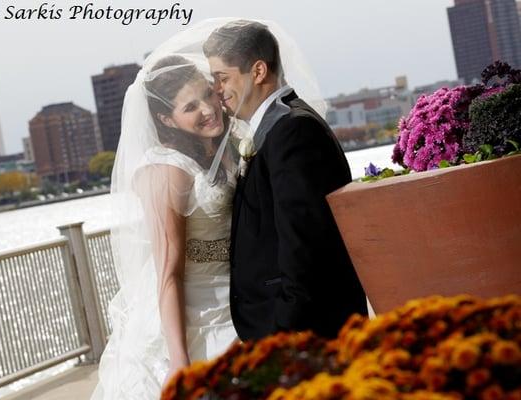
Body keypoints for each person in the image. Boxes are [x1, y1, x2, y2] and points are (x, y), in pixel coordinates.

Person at [204, 20, 368, 341]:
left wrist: (283, 333)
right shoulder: (276, 126)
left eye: (222, 78)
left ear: (259, 71)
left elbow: (303, 248)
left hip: (304, 334)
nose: (217, 90)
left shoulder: (293, 131)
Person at [91, 54, 238, 400]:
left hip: (237, 295)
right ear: (165, 119)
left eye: (207, 94)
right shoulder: (165, 171)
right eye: (190, 107)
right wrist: (179, 358)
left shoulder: (223, 146)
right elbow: (168, 273)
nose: (207, 109)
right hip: (195, 310)